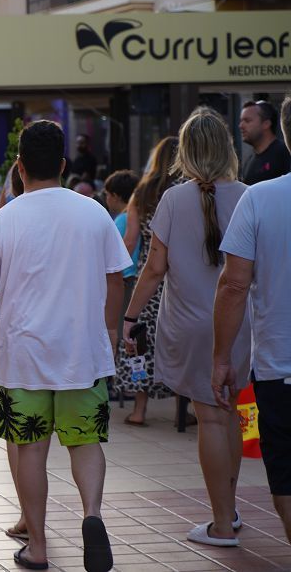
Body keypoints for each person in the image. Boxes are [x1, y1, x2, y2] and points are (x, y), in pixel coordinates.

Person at [0, 120, 129, 572]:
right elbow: (117, 278)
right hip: (83, 354)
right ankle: (92, 514)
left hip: (23, 357)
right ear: (62, 165)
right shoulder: (93, 213)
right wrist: (108, 330)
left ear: (19, 167)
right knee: (85, 442)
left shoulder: (3, 220)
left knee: (30, 449)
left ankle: (38, 546)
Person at [121, 109, 249, 546]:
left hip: (190, 325)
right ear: (228, 147)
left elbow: (154, 270)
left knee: (209, 420)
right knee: (228, 414)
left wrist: (130, 317)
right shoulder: (249, 196)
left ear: (187, 152)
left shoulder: (174, 200)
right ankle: (229, 511)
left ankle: (220, 523)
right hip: (238, 323)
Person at [213, 96, 291, 544]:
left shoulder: (259, 199)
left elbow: (234, 284)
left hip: (280, 367)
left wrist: (222, 358)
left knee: (285, 475)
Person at [117, 136, 180, 425]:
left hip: (148, 277)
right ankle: (184, 408)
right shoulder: (184, 192)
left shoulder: (141, 194)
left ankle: (139, 410)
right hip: (179, 277)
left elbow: (129, 241)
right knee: (177, 343)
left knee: (140, 342)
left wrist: (114, 272)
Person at [102, 170, 141, 350]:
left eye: (107, 195)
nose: (106, 199)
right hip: (136, 277)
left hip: (124, 279)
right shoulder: (138, 216)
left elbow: (116, 250)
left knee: (117, 325)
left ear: (116, 196)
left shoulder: (122, 219)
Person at [239, 100, 291, 185]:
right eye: (241, 121)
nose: (241, 126)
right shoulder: (249, 161)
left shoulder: (284, 152)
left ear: (266, 124)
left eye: (247, 121)